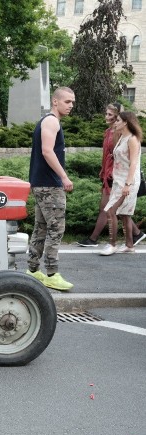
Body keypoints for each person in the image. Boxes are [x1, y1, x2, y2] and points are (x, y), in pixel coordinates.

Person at [25, 87, 76, 292]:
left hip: (41, 183)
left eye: (72, 102)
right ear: (55, 101)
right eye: (67, 101)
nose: (71, 105)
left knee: (41, 228)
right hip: (49, 185)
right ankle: (52, 274)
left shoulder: (49, 121)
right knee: (56, 229)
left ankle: (33, 269)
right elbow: (47, 151)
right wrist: (64, 177)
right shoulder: (51, 121)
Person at [78, 102, 145, 248]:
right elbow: (108, 155)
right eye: (106, 113)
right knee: (115, 209)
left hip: (117, 177)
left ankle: (97, 239)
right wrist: (103, 170)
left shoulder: (121, 134)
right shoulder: (110, 132)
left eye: (110, 115)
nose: (106, 117)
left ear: (118, 118)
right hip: (110, 174)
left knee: (108, 208)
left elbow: (125, 159)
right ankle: (134, 236)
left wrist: (125, 181)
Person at [98, 111, 142, 256]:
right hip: (119, 181)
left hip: (127, 182)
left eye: (117, 120)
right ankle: (129, 245)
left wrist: (128, 184)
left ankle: (112, 245)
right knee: (124, 214)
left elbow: (134, 163)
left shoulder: (132, 139)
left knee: (110, 211)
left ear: (126, 122)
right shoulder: (122, 137)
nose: (114, 122)